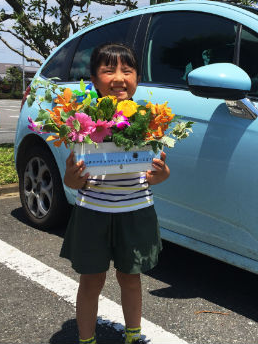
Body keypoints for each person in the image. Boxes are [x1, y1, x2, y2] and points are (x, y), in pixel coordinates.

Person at [60, 43, 170, 344]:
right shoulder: (82, 121)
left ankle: (133, 335)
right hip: (92, 212)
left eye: (127, 70)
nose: (119, 77)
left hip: (135, 211)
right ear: (94, 80)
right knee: (91, 280)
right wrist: (71, 178)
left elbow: (156, 171)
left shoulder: (149, 120)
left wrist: (162, 175)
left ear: (137, 78)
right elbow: (74, 180)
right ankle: (86, 339)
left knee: (131, 279)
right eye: (108, 71)